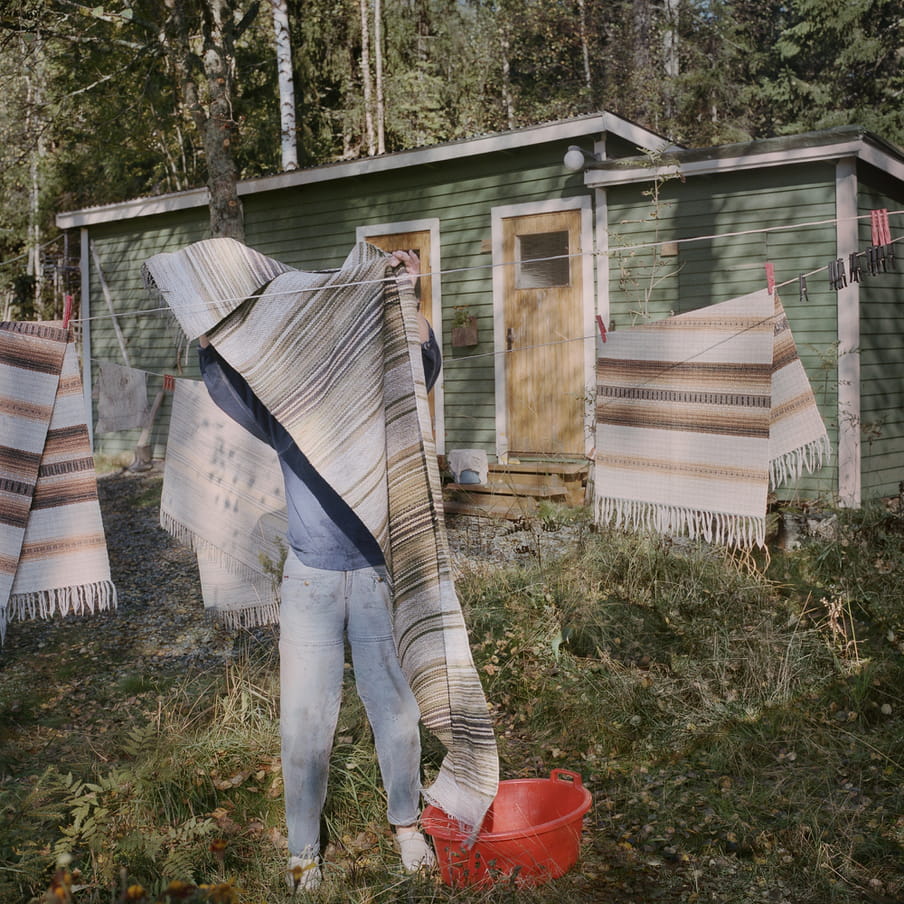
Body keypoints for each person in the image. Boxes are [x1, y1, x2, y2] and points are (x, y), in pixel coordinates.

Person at [197, 250, 439, 891]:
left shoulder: (378, 403)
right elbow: (227, 378)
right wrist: (208, 315)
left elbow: (423, 367)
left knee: (396, 711)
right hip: (308, 580)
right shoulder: (285, 412)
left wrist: (408, 299)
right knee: (306, 718)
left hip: (375, 576)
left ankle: (407, 827)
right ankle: (304, 850)